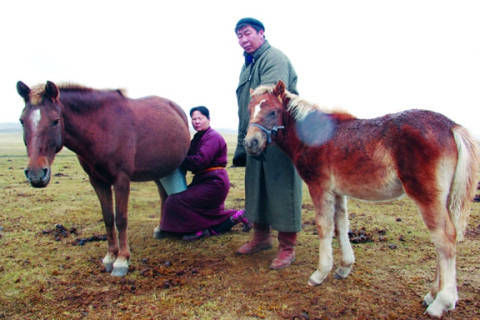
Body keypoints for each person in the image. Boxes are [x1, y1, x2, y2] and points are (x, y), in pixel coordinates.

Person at [233, 18, 303, 270]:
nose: (243, 39)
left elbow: (269, 96)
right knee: (257, 185)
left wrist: (260, 131)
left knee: (282, 187)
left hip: (277, 135)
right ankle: (261, 237)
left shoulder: (274, 58)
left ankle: (287, 246)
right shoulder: (248, 66)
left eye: (247, 33)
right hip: (255, 132)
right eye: (239, 36)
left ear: (261, 33)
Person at [158, 106, 249, 241]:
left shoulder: (212, 137)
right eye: (193, 119)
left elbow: (200, 161)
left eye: (200, 118)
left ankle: (201, 229)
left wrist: (177, 159)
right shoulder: (197, 138)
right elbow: (187, 154)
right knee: (195, 205)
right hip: (204, 181)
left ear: (208, 119)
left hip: (214, 183)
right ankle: (235, 217)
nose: (196, 122)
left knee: (174, 201)